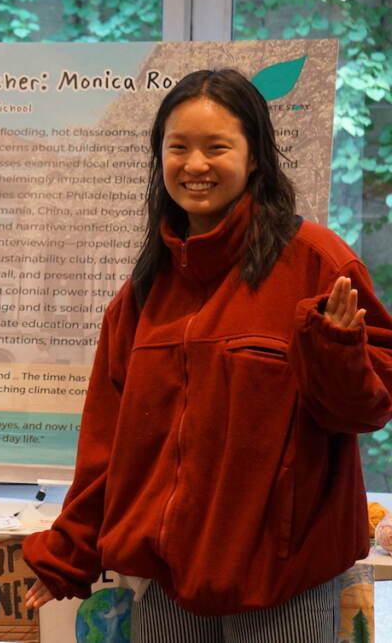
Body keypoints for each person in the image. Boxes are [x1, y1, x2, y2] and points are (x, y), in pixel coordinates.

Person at [22, 69, 392, 641]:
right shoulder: (142, 294)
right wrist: (68, 554)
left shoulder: (319, 263)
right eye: (178, 148)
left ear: (255, 157)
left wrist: (338, 352)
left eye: (217, 147)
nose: (195, 165)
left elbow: (367, 410)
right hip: (171, 584)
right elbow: (107, 449)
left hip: (283, 582)